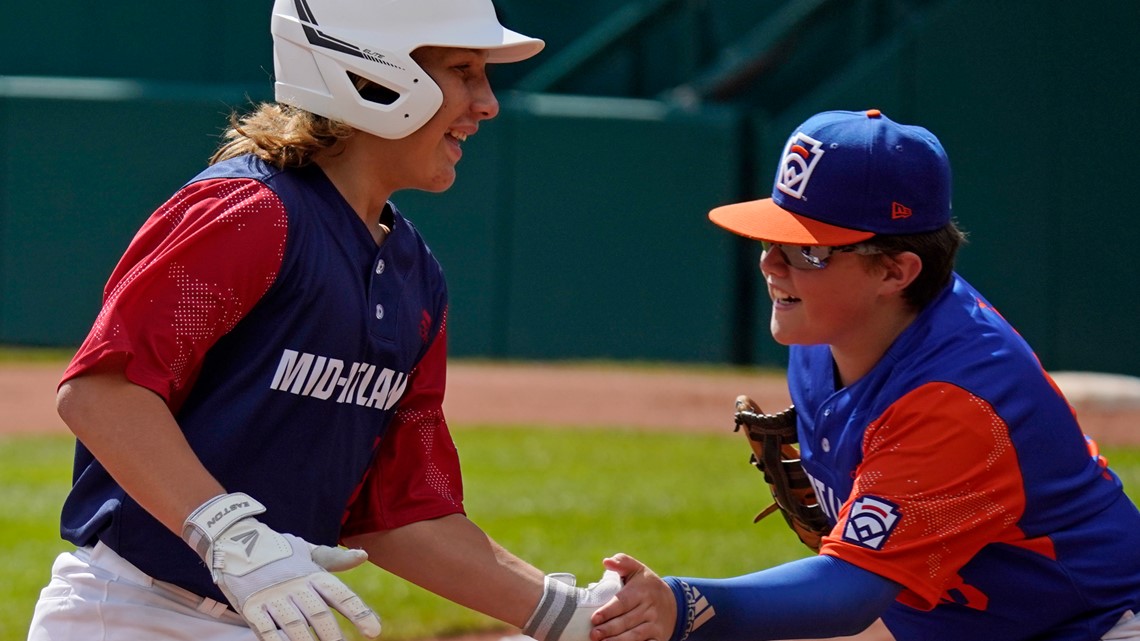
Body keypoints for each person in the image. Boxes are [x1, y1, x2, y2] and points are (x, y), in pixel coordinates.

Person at [27, 1, 620, 640]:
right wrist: (229, 532)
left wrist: (575, 617)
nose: (487, 103)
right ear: (375, 74)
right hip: (136, 614)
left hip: (273, 616)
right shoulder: (253, 212)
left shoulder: (416, 274)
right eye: (463, 71)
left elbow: (395, 512)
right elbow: (103, 392)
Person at [587, 109, 1140, 641]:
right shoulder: (831, 333)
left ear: (896, 271)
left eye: (812, 251)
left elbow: (849, 595)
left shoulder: (956, 400)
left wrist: (681, 606)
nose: (772, 264)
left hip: (1099, 625)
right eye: (770, 237)